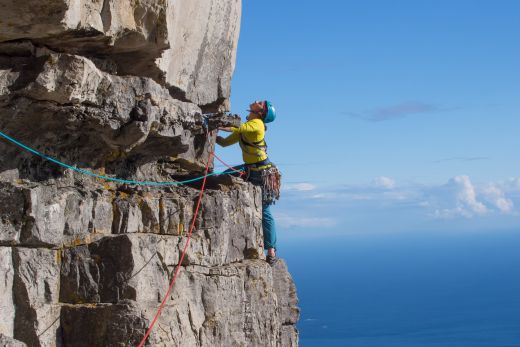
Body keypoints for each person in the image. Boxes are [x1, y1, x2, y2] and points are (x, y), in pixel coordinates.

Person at [216, 100, 281, 266]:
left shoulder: (257, 125)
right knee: (222, 178)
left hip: (262, 172)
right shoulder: (247, 127)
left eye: (261, 103)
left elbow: (239, 128)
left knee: (265, 209)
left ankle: (271, 250)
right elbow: (224, 143)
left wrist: (215, 124)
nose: (257, 101)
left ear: (261, 112)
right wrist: (212, 134)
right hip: (251, 168)